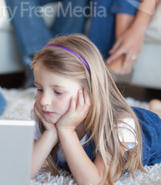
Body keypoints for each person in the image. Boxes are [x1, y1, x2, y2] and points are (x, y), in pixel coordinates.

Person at [31, 34, 161, 184]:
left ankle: (156, 111)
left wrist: (66, 131)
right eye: (39, 89)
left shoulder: (120, 126)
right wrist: (51, 132)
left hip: (149, 128)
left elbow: (96, 182)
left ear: (91, 91)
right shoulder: (47, 115)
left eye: (58, 92)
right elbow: (23, 172)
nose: (44, 101)